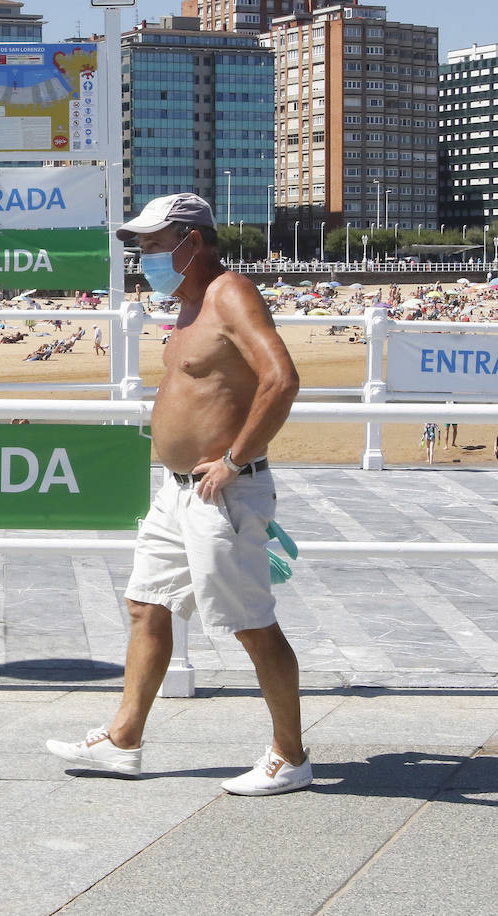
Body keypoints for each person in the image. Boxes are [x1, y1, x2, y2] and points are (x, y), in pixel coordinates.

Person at [46, 192, 309, 795]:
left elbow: (282, 378)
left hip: (221, 493)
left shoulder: (230, 294)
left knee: (250, 624)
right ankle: (123, 739)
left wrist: (235, 461)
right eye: (141, 245)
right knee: (146, 604)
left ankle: (290, 756)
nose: (145, 256)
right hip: (176, 491)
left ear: (192, 242)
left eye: (155, 244)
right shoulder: (187, 306)